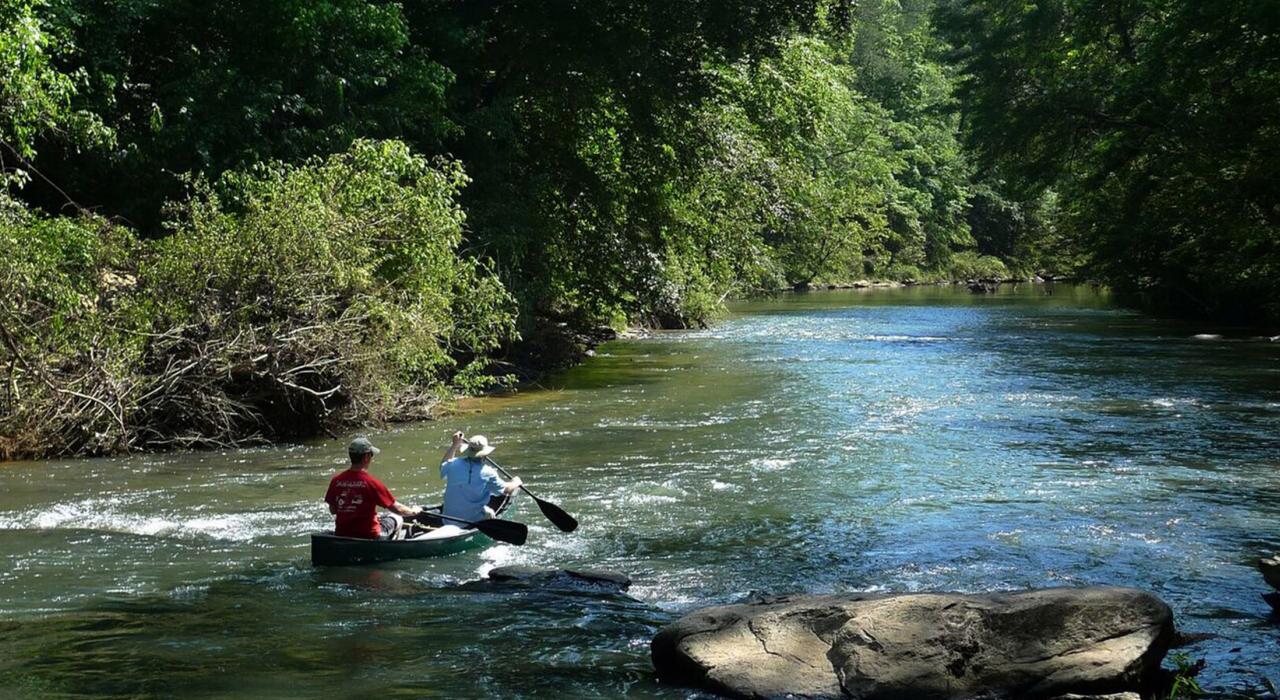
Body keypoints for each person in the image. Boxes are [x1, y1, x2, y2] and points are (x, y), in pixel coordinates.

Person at [325, 437, 421, 539]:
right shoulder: (371, 482)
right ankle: (388, 547)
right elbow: (398, 509)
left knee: (381, 516)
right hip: (369, 534)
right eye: (371, 455)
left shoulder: (336, 480)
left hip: (342, 533)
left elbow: (333, 510)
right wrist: (414, 511)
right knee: (397, 517)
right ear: (366, 456)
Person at [439, 431, 522, 524]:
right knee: (490, 513)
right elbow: (506, 490)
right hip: (471, 520)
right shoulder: (488, 472)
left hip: (447, 519)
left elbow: (443, 465)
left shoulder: (453, 464)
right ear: (484, 454)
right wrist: (516, 482)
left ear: (468, 451)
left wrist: (454, 445)